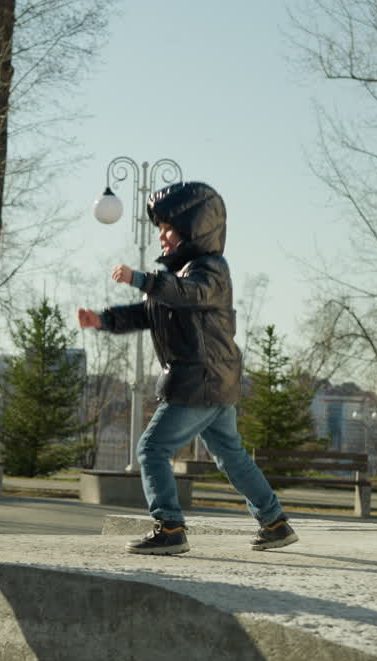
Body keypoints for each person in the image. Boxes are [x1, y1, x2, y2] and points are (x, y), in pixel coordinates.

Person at [77, 181, 297, 556]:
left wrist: (141, 279)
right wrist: (104, 320)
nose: (161, 236)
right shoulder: (178, 275)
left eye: (168, 229)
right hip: (213, 379)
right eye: (160, 229)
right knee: (231, 456)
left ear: (194, 230)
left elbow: (187, 295)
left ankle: (170, 527)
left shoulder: (209, 270)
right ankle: (274, 523)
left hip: (200, 379)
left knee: (152, 449)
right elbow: (148, 313)